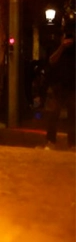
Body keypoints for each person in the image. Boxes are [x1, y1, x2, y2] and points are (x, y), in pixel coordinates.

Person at [44, 16, 75, 150]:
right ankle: (51, 141)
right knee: (53, 115)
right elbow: (51, 60)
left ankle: (73, 143)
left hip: (73, 85)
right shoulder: (57, 42)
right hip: (57, 84)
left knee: (73, 116)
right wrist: (62, 46)